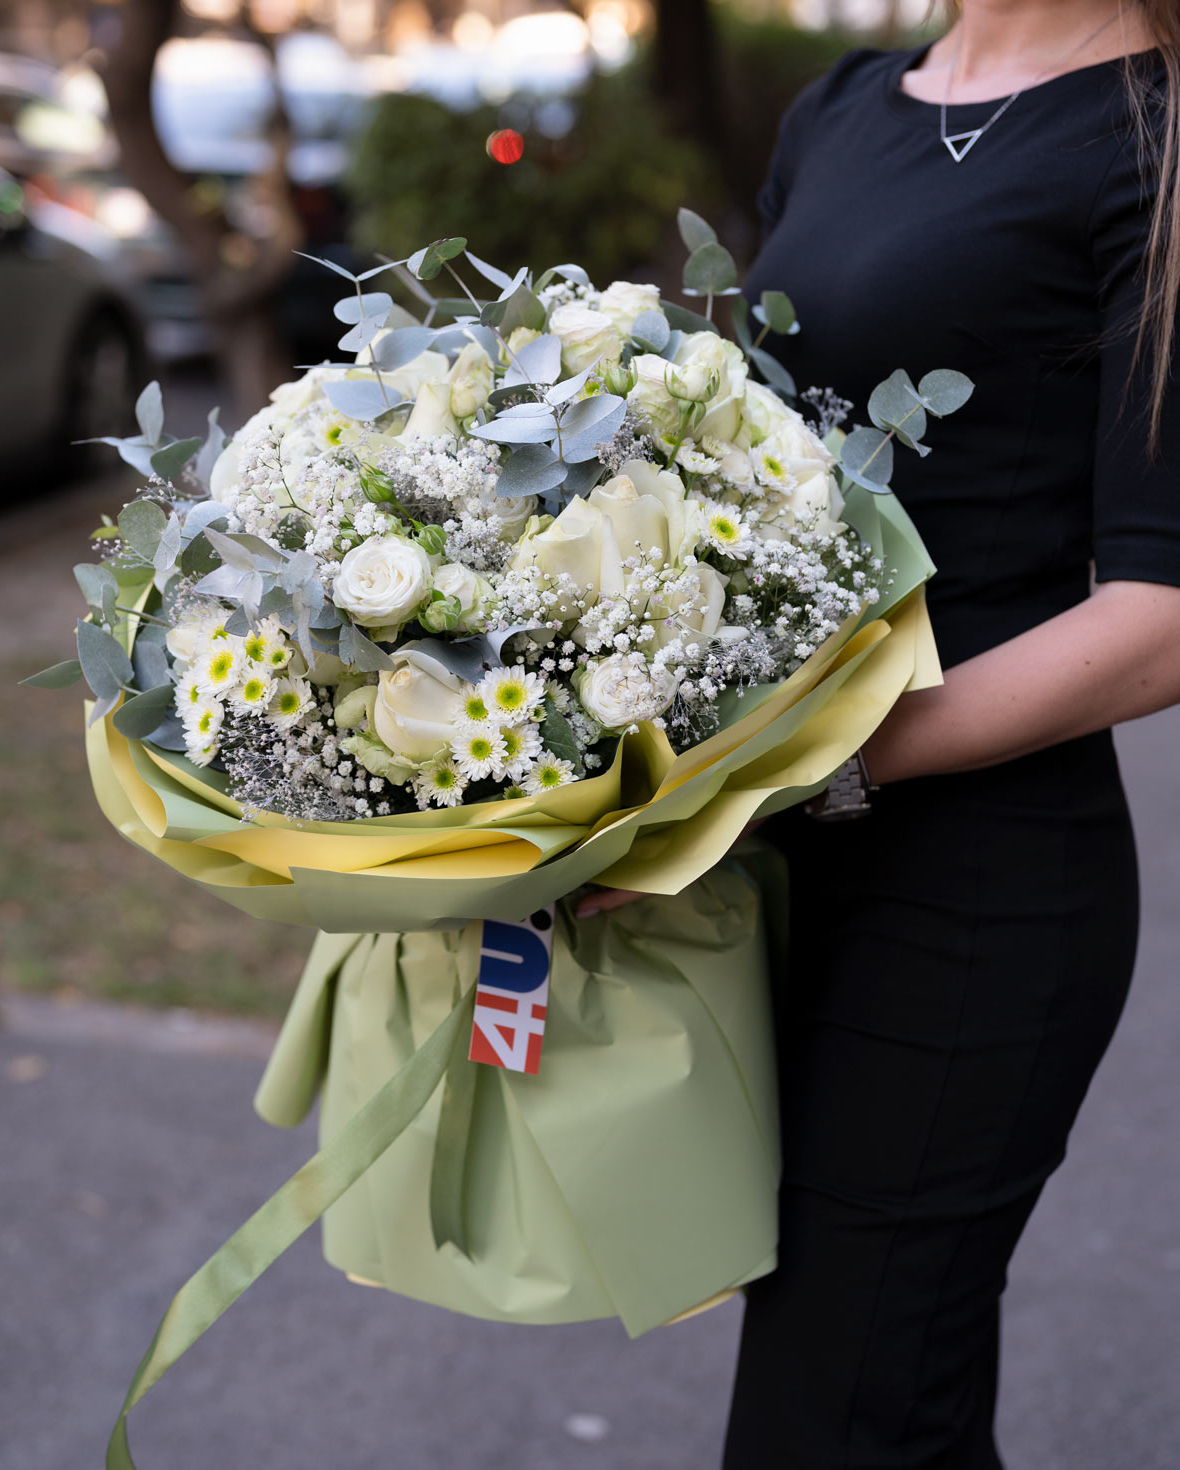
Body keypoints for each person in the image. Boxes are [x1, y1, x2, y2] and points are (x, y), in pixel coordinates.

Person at [577, 0, 1180, 1462]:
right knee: (872, 1387)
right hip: (779, 866)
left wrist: (799, 775)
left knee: (836, 1410)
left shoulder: (1151, 142)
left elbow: (1160, 618)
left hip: (976, 892)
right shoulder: (843, 106)